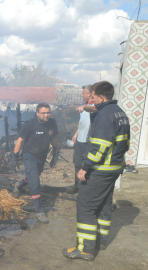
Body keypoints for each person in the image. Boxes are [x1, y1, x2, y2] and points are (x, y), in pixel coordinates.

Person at [62, 81, 130, 261]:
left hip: (100, 170)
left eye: (92, 97)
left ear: (101, 97)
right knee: (103, 204)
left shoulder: (105, 116)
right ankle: (100, 241)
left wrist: (85, 167)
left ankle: (84, 249)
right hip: (114, 168)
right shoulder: (119, 113)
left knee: (86, 206)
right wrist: (87, 109)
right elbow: (126, 144)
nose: (89, 100)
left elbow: (100, 147)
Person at [11, 103, 58, 224]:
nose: (46, 115)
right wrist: (15, 156)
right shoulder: (30, 124)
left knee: (33, 178)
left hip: (41, 157)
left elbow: (54, 140)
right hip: (29, 155)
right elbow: (20, 141)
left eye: (48, 112)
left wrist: (55, 155)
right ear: (37, 113)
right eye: (44, 113)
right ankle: (39, 210)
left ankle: (18, 186)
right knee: (35, 183)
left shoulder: (52, 123)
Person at [67, 85, 94, 194]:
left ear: (89, 94)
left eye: (83, 93)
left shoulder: (94, 107)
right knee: (77, 163)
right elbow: (83, 123)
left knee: (86, 164)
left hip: (88, 142)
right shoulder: (85, 106)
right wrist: (76, 134)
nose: (82, 95)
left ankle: (85, 188)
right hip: (80, 140)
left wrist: (85, 108)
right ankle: (76, 185)